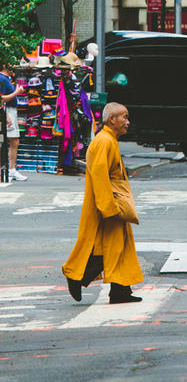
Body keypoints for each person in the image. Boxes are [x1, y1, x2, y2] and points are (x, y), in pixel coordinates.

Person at [62, 102, 144, 304]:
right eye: (124, 117)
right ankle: (77, 276)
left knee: (120, 246)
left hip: (113, 204)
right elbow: (100, 177)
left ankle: (120, 291)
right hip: (107, 206)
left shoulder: (108, 139)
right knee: (105, 248)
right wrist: (109, 208)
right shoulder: (104, 141)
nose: (127, 121)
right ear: (112, 120)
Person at [0, 63, 27, 181]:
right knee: (12, 140)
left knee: (13, 140)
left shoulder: (5, 79)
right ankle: (10, 169)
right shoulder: (2, 79)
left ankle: (10, 169)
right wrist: (17, 93)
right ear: (5, 66)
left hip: (9, 112)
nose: (13, 66)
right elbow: (1, 99)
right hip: (8, 112)